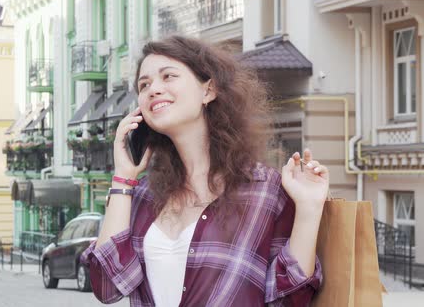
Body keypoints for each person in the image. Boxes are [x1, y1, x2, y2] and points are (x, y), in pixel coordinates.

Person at [81, 36, 327, 306]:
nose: (153, 89)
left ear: (208, 91)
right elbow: (106, 286)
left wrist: (309, 208)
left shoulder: (264, 189)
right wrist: (123, 179)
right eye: (144, 84)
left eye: (168, 76)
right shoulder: (142, 196)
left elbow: (291, 299)